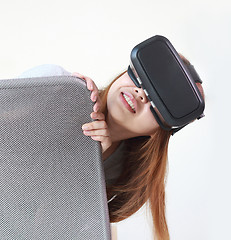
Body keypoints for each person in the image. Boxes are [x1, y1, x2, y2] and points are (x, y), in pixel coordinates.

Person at [18, 55, 205, 240]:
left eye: (161, 102)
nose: (142, 93)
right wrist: (41, 105)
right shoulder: (53, 82)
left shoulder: (122, 174)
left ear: (159, 131)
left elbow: (42, 231)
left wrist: (87, 164)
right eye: (143, 76)